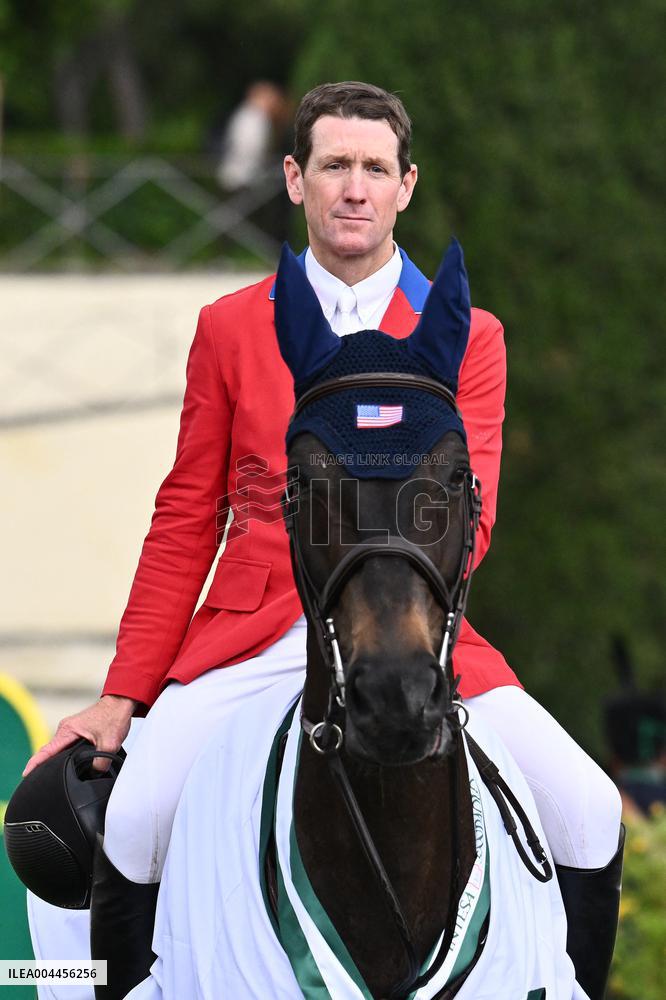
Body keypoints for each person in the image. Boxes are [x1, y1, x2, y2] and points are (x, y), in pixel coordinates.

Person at [24, 82, 623, 1000]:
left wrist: (392, 615)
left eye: (374, 168)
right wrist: (122, 695)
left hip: (405, 628)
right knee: (135, 816)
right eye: (335, 166)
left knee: (587, 808)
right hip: (250, 635)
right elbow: (189, 514)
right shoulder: (229, 327)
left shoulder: (471, 338)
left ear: (406, 186)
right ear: (295, 178)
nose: (355, 187)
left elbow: (476, 516)